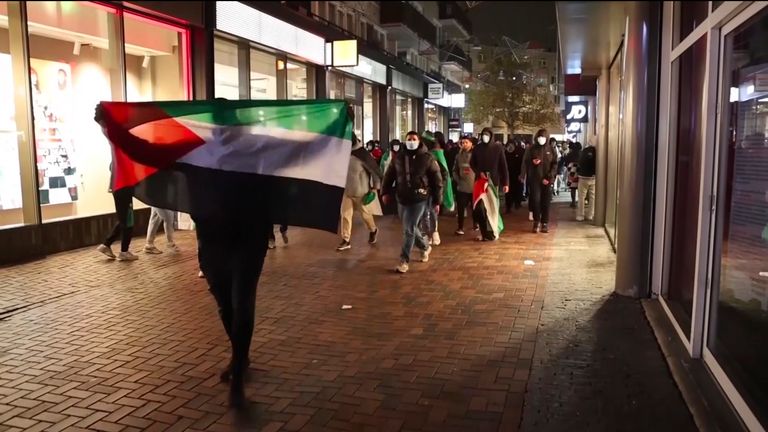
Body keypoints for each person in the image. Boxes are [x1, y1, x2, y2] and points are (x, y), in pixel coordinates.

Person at [382, 131, 443, 274]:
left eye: (414, 139)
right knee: (411, 227)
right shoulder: (399, 158)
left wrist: (437, 200)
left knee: (408, 229)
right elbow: (389, 175)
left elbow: (437, 179)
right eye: (409, 139)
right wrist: (384, 192)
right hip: (402, 198)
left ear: (419, 141)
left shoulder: (427, 158)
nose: (411, 141)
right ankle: (424, 247)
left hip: (419, 199)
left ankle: (404, 260)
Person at [337, 133, 381, 251]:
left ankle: (373, 230)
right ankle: (346, 239)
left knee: (366, 215)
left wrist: (374, 188)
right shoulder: (342, 154)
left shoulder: (363, 155)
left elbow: (375, 172)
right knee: (345, 215)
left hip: (361, 192)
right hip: (347, 191)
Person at [470, 127, 509, 238]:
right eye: (483, 135)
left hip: (493, 182)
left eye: (487, 135)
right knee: (479, 207)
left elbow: (503, 166)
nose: (485, 137)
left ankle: (492, 229)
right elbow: (472, 163)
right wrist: (479, 172)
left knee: (492, 206)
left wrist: (506, 183)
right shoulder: (477, 148)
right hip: (480, 181)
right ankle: (483, 231)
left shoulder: (498, 148)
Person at [97, 163, 138, 261]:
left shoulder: (116, 160)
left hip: (119, 190)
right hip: (123, 191)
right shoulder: (121, 161)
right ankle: (124, 251)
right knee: (128, 221)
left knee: (123, 219)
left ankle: (106, 244)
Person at [422, 131, 454, 246]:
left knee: (431, 211)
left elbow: (443, 174)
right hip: (423, 188)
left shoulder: (435, 155)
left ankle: (433, 233)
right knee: (425, 213)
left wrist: (440, 188)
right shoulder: (423, 154)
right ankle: (428, 234)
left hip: (433, 188)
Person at [523, 129, 558, 233]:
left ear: (546, 137)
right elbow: (526, 161)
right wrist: (532, 162)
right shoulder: (532, 148)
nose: (540, 139)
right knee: (535, 201)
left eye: (543, 137)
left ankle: (545, 223)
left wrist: (549, 177)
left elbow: (555, 164)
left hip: (547, 180)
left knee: (546, 202)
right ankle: (536, 221)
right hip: (535, 180)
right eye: (539, 137)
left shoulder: (551, 149)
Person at [453, 135, 475, 235]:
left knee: (475, 207)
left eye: (466, 142)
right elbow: (455, 169)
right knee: (461, 208)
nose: (464, 144)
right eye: (462, 142)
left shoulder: (476, 155)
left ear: (471, 143)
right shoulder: (458, 156)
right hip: (462, 186)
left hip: (474, 186)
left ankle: (476, 224)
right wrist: (457, 180)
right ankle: (460, 227)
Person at [577, 142, 597, 222]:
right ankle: (590, 215)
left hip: (583, 177)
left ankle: (580, 215)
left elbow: (580, 163)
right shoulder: (596, 151)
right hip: (593, 177)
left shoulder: (584, 151)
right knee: (592, 197)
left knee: (581, 197)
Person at [505, 139, 525, 212]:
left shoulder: (519, 153)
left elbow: (522, 164)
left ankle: (517, 203)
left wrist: (522, 174)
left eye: (511, 145)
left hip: (517, 175)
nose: (510, 147)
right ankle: (508, 206)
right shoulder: (505, 153)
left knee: (518, 189)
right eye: (508, 146)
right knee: (508, 192)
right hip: (508, 175)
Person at [565, 141, 582, 208]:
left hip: (572, 172)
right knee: (581, 188)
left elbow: (566, 163)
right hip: (580, 172)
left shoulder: (570, 154)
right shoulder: (581, 153)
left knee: (573, 188)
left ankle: (573, 202)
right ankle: (581, 201)